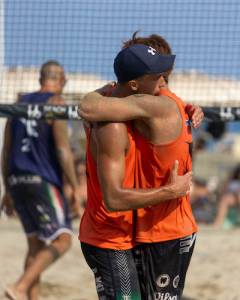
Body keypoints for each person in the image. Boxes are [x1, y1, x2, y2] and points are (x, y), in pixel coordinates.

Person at [79, 33, 201, 299]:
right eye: (157, 74)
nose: (164, 80)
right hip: (112, 237)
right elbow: (88, 109)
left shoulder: (154, 104)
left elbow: (88, 106)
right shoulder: (115, 122)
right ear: (134, 84)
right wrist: (170, 191)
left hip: (161, 233)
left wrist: (96, 95)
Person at [1, 60, 80, 300]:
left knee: (35, 245)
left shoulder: (18, 104)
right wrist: (75, 187)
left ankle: (31, 297)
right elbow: (63, 150)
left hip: (16, 179)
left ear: (40, 78)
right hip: (41, 180)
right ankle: (20, 287)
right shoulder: (56, 103)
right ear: (60, 79)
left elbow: (5, 150)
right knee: (63, 239)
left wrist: (7, 188)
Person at [213, 164, 240, 229]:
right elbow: (223, 191)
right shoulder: (232, 181)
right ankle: (218, 223)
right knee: (225, 199)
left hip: (237, 197)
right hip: (233, 197)